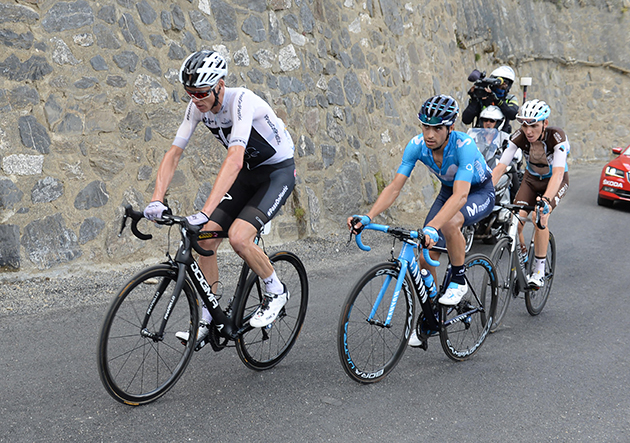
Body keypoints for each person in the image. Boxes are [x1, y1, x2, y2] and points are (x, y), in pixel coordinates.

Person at [143, 50, 296, 343]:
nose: (196, 99)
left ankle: (276, 290)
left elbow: (234, 159)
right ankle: (208, 314)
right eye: (190, 93)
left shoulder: (242, 101)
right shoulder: (196, 107)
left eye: (201, 92)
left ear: (220, 85)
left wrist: (205, 210)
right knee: (206, 238)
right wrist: (157, 198)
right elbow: (174, 153)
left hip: (277, 173)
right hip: (250, 174)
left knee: (239, 237)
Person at [347, 94, 495, 346]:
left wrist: (432, 226)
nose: (430, 134)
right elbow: (394, 187)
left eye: (437, 128)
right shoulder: (416, 146)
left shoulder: (464, 146)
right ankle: (434, 314)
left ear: (450, 128)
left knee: (447, 224)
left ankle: (458, 278)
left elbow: (461, 196)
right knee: (425, 261)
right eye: (426, 126)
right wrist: (369, 216)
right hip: (448, 192)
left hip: (478, 192)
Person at [491, 99, 569, 288]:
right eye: (525, 125)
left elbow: (558, 173)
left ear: (545, 124)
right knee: (514, 221)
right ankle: (523, 252)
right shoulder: (519, 136)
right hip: (531, 180)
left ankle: (539, 270)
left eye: (534, 125)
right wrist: (486, 191)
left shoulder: (557, 137)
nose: (529, 131)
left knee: (539, 216)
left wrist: (546, 200)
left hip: (554, 181)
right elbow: (501, 166)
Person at [462, 66, 519, 133]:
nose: (502, 86)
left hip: (502, 139)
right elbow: (466, 120)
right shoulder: (484, 97)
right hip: (480, 137)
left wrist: (497, 101)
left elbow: (513, 114)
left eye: (505, 84)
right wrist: (474, 99)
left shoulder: (510, 98)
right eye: (499, 84)